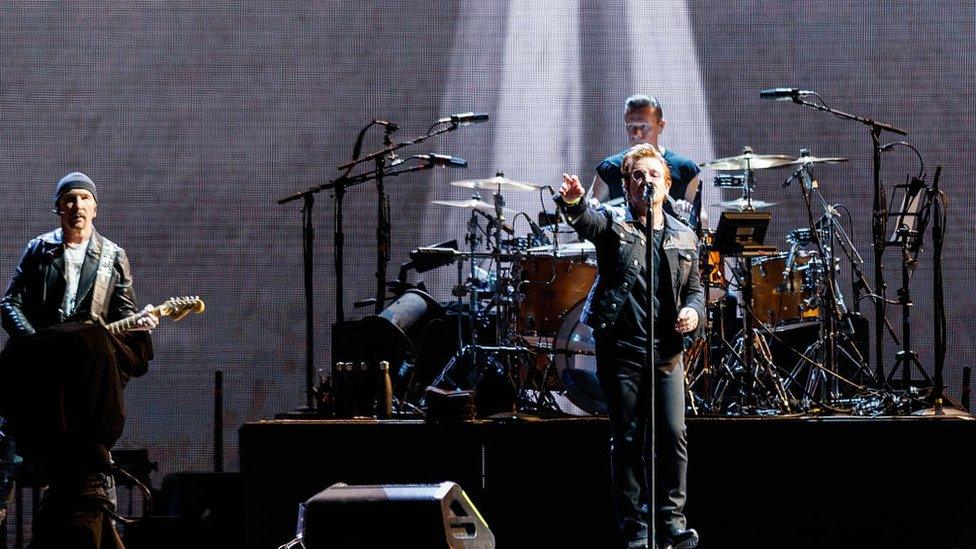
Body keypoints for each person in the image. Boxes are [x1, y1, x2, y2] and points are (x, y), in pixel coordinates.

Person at [558, 145, 704, 549]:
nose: (646, 182)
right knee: (628, 436)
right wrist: (573, 200)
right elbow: (586, 220)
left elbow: (695, 291)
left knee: (673, 435)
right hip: (621, 348)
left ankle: (672, 521)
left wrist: (693, 313)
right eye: (638, 176)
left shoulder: (683, 234)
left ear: (667, 182)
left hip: (667, 353)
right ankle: (635, 527)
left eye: (653, 175)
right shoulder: (614, 226)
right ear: (627, 184)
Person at [0, 171, 157, 548]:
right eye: (69, 199)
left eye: (84, 199)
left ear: (95, 209)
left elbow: (124, 311)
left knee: (89, 459)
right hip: (43, 367)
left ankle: (97, 516)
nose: (77, 206)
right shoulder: (38, 249)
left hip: (84, 374)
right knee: (10, 452)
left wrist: (141, 324)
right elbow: (10, 303)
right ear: (58, 207)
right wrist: (34, 342)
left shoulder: (112, 256)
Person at [588, 94, 703, 231]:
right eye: (630, 126)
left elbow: (702, 222)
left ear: (661, 125)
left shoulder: (685, 169)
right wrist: (589, 206)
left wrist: (691, 214)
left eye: (644, 126)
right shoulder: (610, 167)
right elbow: (588, 214)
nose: (637, 133)